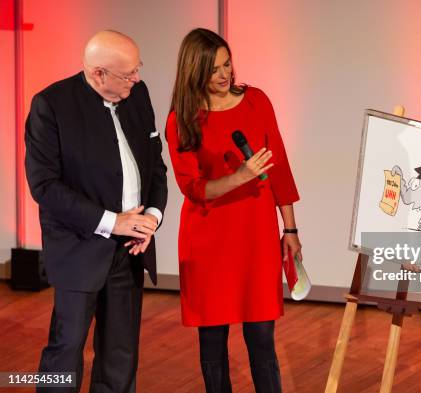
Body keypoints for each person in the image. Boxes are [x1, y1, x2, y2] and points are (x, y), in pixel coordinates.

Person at [25, 30, 168, 392]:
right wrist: (113, 222)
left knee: (120, 355)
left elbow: (155, 166)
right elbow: (45, 186)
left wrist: (152, 216)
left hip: (130, 249)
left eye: (138, 69)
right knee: (66, 349)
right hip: (79, 248)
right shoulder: (51, 105)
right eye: (128, 74)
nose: (136, 79)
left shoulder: (138, 94)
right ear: (98, 73)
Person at [165, 28, 302, 393]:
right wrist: (241, 176)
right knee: (213, 340)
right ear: (195, 73)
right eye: (214, 70)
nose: (225, 75)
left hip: (255, 236)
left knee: (261, 335)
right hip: (209, 242)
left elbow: (280, 168)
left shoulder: (257, 101)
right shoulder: (182, 119)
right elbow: (193, 189)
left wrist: (290, 230)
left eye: (227, 65)